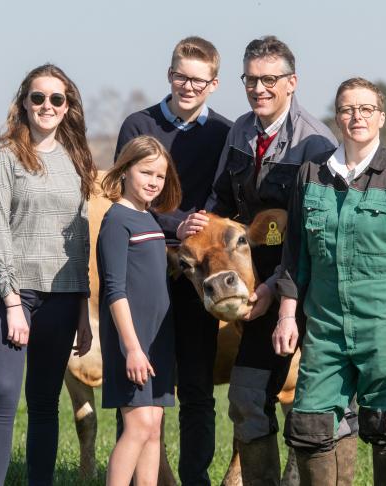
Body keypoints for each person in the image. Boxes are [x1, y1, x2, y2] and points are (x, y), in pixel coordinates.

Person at [178, 35, 354, 485]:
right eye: (251, 79)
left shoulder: (316, 146)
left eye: (269, 79)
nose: (259, 89)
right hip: (257, 292)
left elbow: (317, 236)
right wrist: (195, 226)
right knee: (247, 399)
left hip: (310, 294)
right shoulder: (240, 131)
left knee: (317, 410)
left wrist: (277, 287)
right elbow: (220, 198)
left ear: (292, 83)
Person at [272, 77, 386, 485]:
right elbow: (294, 254)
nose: (357, 117)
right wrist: (286, 315)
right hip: (326, 327)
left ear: (381, 117)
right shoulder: (311, 176)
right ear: (337, 117)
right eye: (348, 109)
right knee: (310, 427)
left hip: (385, 328)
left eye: (366, 109)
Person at [114, 36, 232, 486]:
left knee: (198, 387)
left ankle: (194, 478)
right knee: (140, 384)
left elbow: (222, 197)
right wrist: (178, 224)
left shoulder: (224, 132)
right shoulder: (137, 126)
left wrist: (197, 228)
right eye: (181, 76)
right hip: (144, 271)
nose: (188, 86)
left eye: (198, 80)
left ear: (214, 84)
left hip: (195, 277)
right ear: (169, 74)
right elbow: (124, 195)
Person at [0, 63, 95, 485]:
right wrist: (11, 302)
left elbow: (79, 239)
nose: (47, 105)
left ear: (68, 107)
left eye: (56, 99)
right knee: (3, 397)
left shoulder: (77, 159)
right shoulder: (3, 155)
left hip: (61, 297)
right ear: (24, 103)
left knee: (45, 402)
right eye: (38, 97)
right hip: (5, 293)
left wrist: (82, 309)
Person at [98, 135, 183, 486]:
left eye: (160, 176)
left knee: (154, 428)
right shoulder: (117, 220)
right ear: (125, 171)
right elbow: (115, 290)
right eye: (145, 172)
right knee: (138, 426)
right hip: (131, 340)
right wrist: (132, 347)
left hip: (158, 339)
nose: (153, 182)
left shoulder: (151, 219)